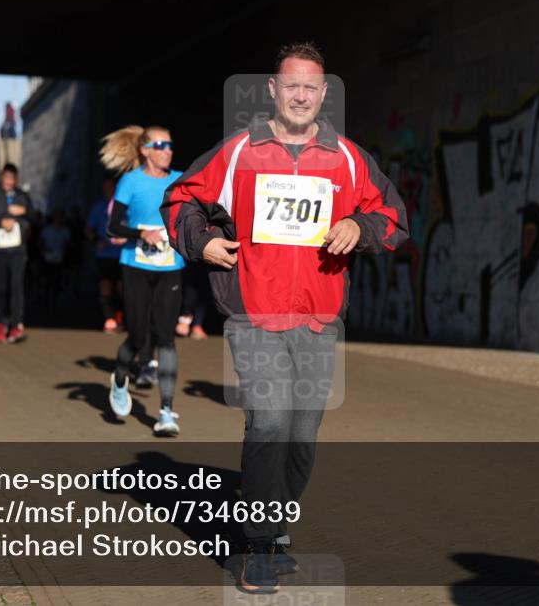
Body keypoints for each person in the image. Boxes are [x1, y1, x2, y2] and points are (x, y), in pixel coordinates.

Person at [162, 42, 408, 593]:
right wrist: (201, 243)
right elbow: (180, 199)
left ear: (324, 94)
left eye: (310, 87)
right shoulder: (238, 153)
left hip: (319, 318)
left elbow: (392, 218)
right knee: (269, 422)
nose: (300, 95)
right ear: (272, 89)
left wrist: (360, 230)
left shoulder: (346, 157)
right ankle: (260, 545)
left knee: (302, 437)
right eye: (290, 85)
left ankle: (273, 521)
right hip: (254, 312)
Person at [101, 125, 185, 436]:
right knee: (137, 337)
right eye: (160, 145)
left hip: (171, 266)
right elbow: (112, 227)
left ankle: (165, 411)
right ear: (145, 150)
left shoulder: (180, 180)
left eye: (171, 145)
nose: (168, 150)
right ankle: (120, 379)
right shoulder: (130, 181)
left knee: (166, 337)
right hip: (135, 265)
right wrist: (141, 233)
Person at [0, 163, 38, 343]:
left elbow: (35, 217)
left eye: (13, 178)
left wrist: (24, 211)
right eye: (7, 177)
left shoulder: (22, 196)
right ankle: (1, 323)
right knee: (1, 286)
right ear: (1, 177)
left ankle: (17, 324)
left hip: (18, 249)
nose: (10, 181)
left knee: (17, 286)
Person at [85, 178, 124, 332]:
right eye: (105, 187)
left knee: (123, 288)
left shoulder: (125, 206)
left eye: (110, 187)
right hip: (104, 254)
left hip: (123, 254)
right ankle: (109, 318)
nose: (107, 190)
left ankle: (120, 317)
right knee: (105, 286)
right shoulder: (99, 206)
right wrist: (96, 240)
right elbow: (88, 228)